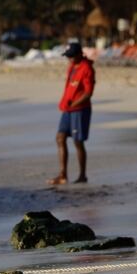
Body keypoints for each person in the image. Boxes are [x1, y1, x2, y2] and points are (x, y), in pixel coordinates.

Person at [48, 42, 95, 185]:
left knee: (77, 142)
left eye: (72, 57)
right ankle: (63, 175)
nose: (69, 59)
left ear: (80, 54)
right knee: (60, 138)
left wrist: (74, 103)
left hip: (80, 110)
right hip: (67, 110)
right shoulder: (72, 67)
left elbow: (88, 93)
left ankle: (82, 175)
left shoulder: (87, 69)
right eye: (68, 57)